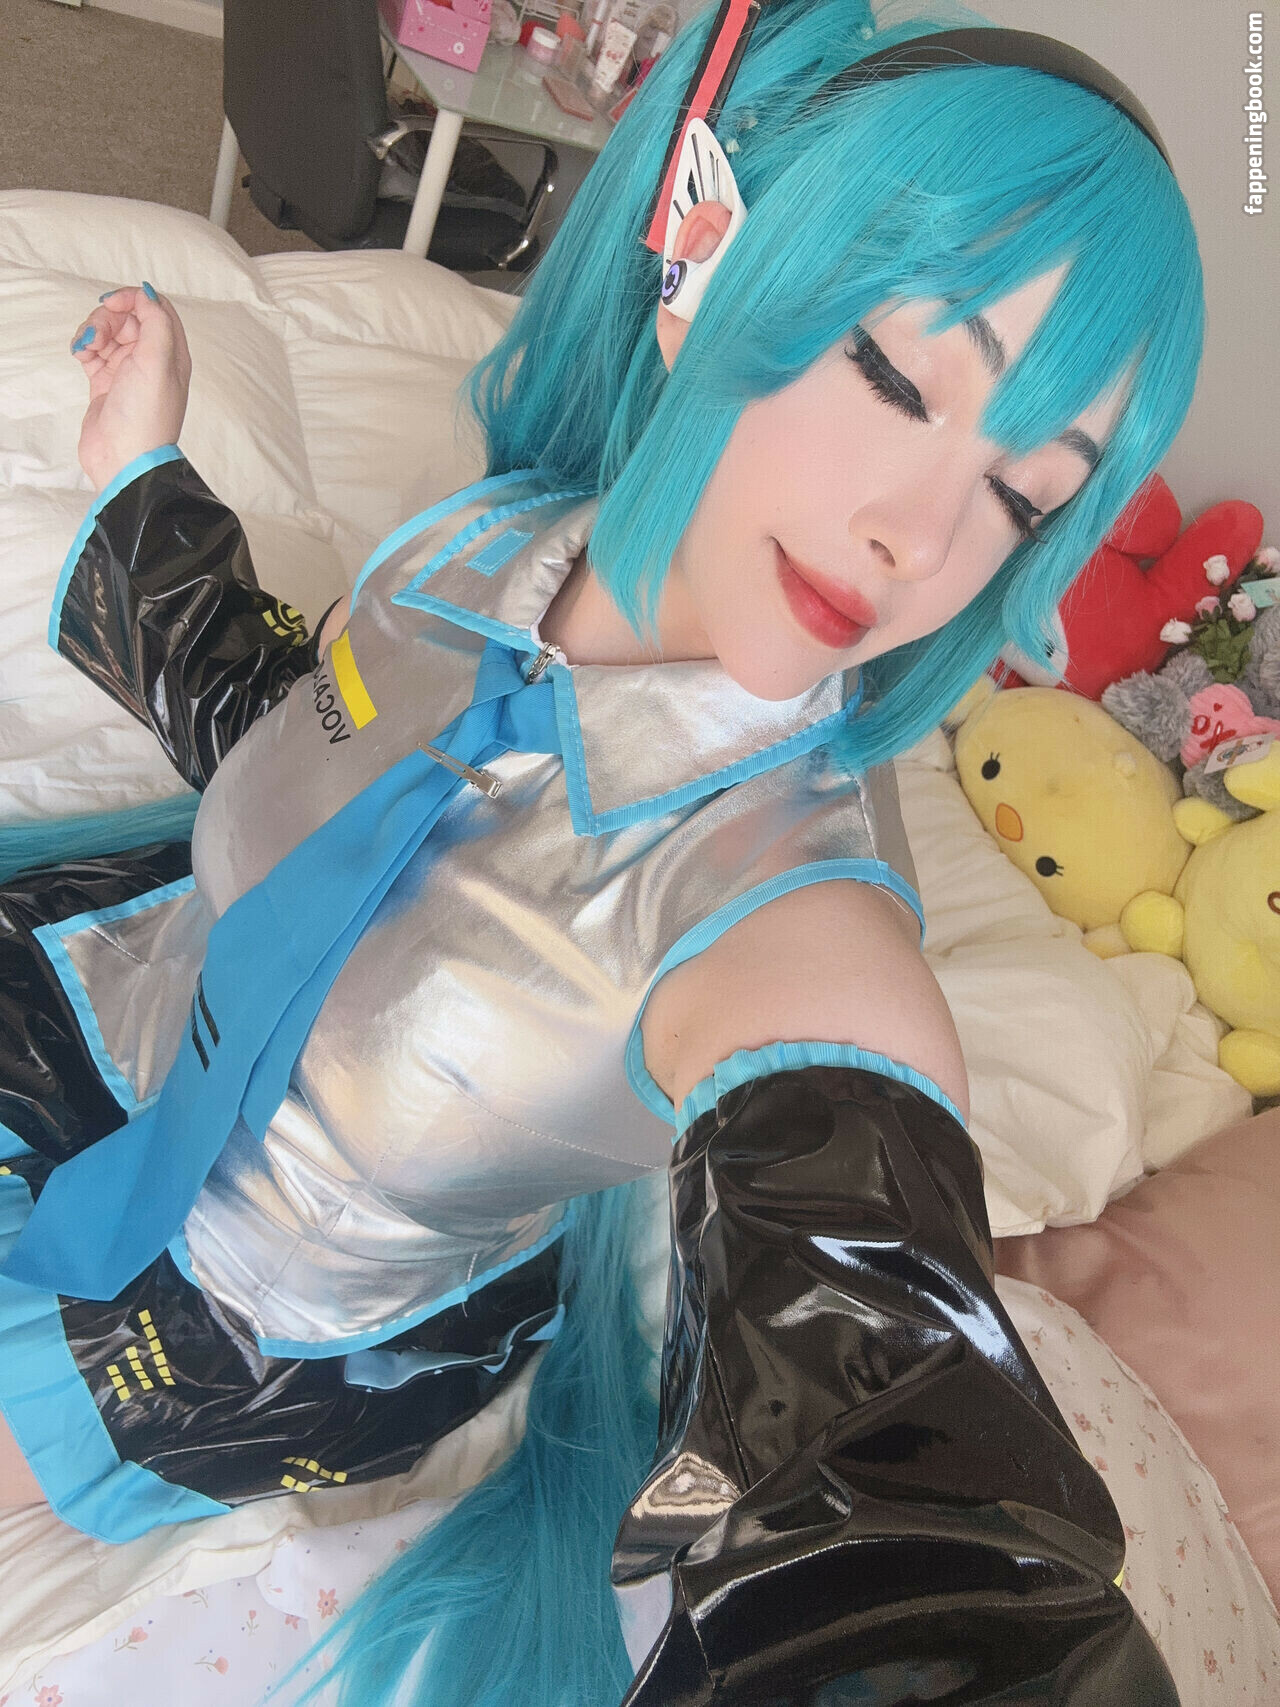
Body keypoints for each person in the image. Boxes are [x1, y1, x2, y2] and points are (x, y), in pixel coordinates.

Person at [0, 2, 1204, 1702]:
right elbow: (304, 743)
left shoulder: (797, 927)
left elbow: (903, 1481)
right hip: (89, 982)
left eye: (1024, 497)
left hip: (216, 1323)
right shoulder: (489, 542)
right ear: (708, 254)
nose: (921, 539)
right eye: (893, 376)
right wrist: (142, 475)